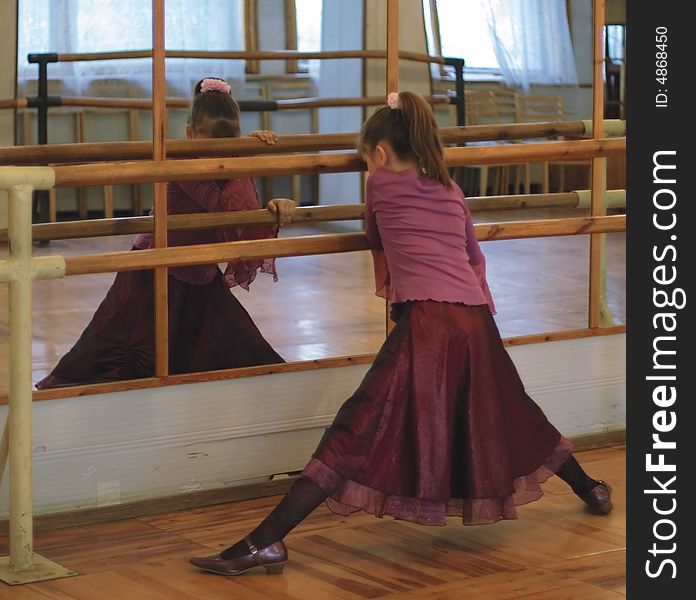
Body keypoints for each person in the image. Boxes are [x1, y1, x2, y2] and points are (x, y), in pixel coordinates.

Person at [188, 91, 612, 577]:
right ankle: (592, 489)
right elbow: (474, 258)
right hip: (475, 320)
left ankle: (264, 543)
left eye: (368, 156)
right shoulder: (451, 188)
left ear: (381, 155)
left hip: (429, 322)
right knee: (515, 413)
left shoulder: (382, 185)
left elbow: (376, 236)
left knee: (355, 427)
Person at [36, 77, 296, 389]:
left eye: (228, 142)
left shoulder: (230, 165)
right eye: (210, 143)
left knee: (236, 344)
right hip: (154, 269)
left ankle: (266, 393)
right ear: (189, 134)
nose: (218, 153)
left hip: (198, 268)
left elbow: (245, 214)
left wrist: (273, 206)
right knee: (119, 351)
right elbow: (224, 208)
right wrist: (243, 156)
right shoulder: (182, 161)